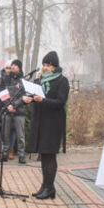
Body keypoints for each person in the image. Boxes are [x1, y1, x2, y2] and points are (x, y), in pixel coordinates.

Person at [24, 51, 69, 199]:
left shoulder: (62, 81)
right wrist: (30, 99)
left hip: (53, 123)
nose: (45, 68)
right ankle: (46, 186)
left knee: (50, 155)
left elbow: (60, 102)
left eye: (48, 65)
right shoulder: (40, 80)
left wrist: (42, 100)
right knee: (43, 155)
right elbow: (34, 96)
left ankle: (49, 188)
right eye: (44, 65)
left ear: (55, 66)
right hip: (41, 122)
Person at [0, 59, 27, 164]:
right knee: (5, 134)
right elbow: (2, 93)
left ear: (19, 67)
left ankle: (21, 155)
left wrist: (15, 105)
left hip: (19, 112)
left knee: (20, 136)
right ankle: (4, 154)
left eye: (15, 65)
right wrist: (8, 105)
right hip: (7, 111)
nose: (13, 67)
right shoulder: (5, 79)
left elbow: (25, 96)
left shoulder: (24, 80)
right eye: (12, 65)